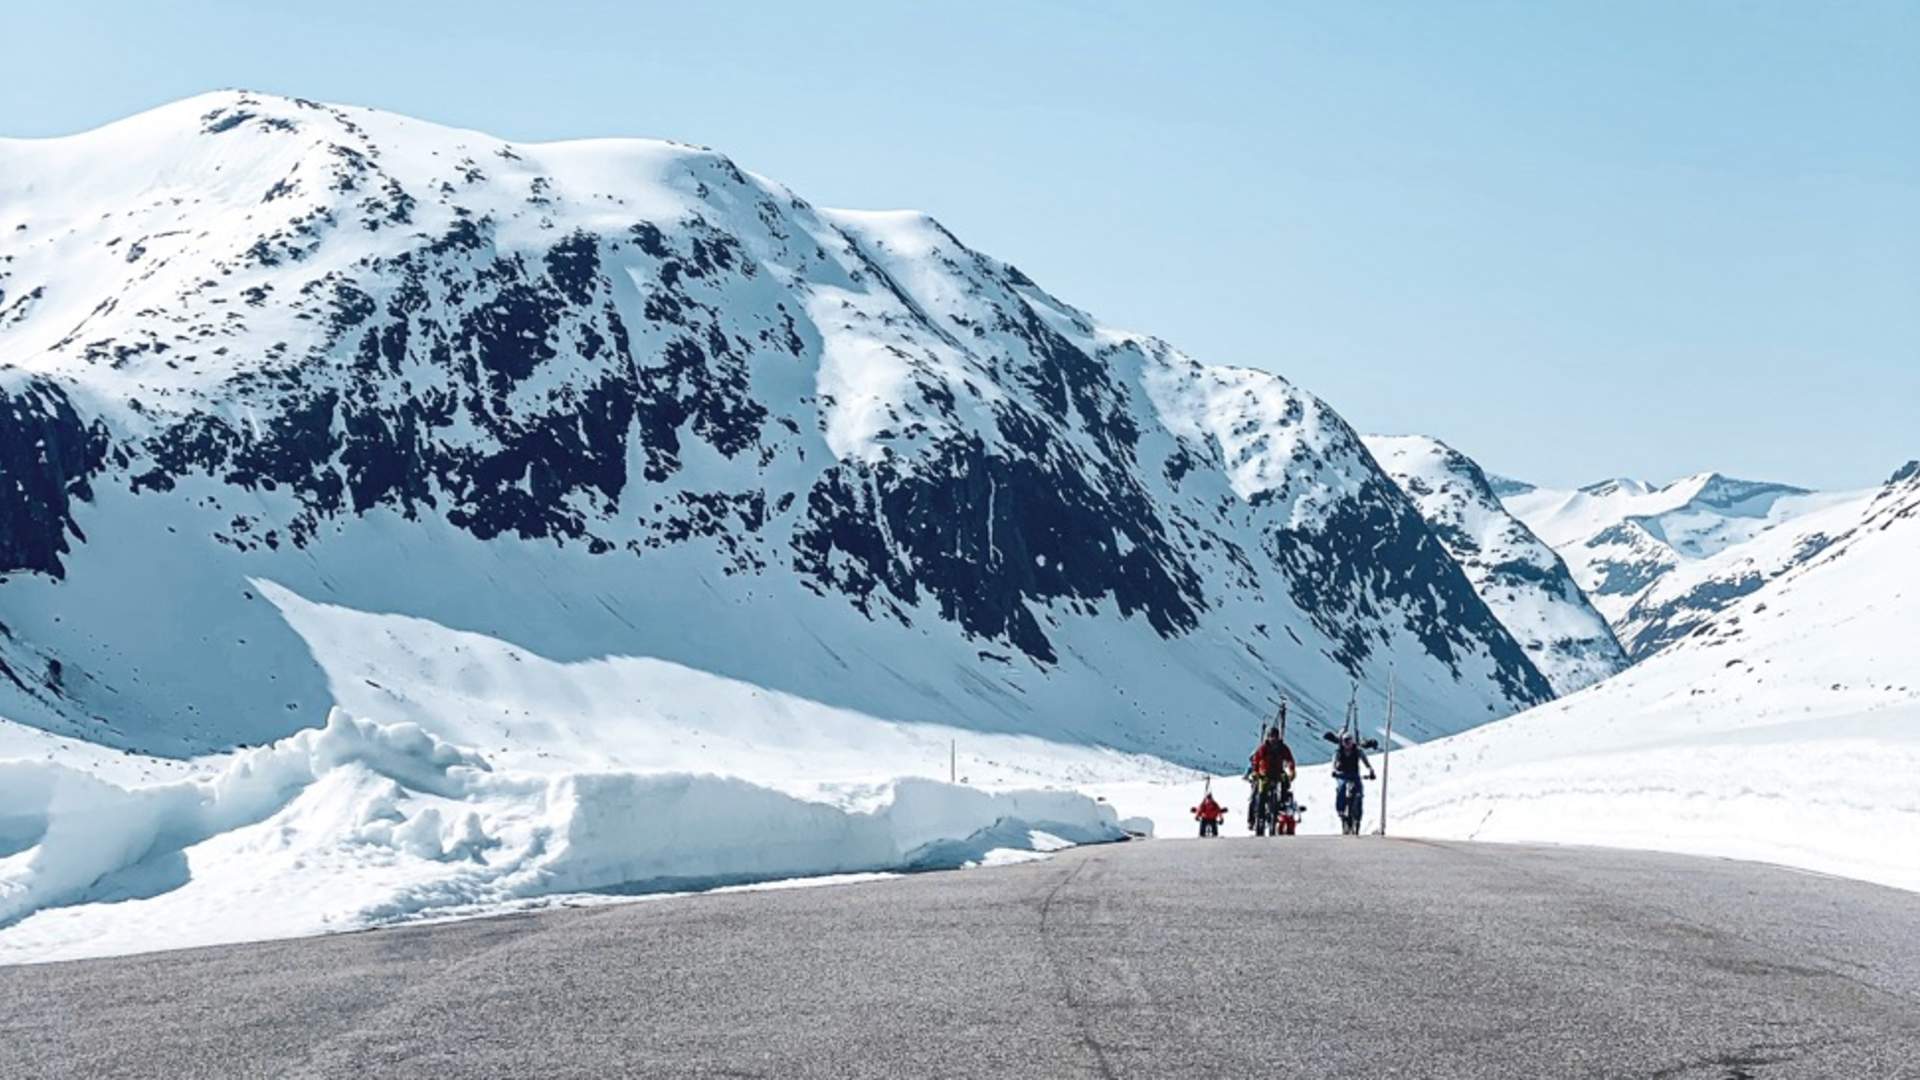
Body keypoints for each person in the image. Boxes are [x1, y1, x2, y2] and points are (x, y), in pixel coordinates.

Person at [1246, 727, 1297, 833]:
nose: (1273, 739)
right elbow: (1256, 760)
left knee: (1285, 783)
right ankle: (1260, 816)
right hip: (1265, 774)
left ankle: (1283, 804)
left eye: (1275, 736)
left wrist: (1291, 770)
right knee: (1261, 794)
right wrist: (1256, 772)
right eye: (1271, 736)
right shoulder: (1263, 748)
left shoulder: (1282, 748)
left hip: (1278, 773)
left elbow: (1290, 759)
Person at [1331, 732, 1376, 834]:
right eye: (1345, 742)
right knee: (1341, 788)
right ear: (1342, 742)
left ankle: (1358, 817)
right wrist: (1334, 770)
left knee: (1359, 792)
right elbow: (1334, 761)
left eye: (1349, 741)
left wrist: (1370, 770)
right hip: (1342, 774)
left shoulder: (1358, 751)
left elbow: (1366, 762)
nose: (1348, 744)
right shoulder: (1338, 752)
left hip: (1354, 775)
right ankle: (1341, 810)